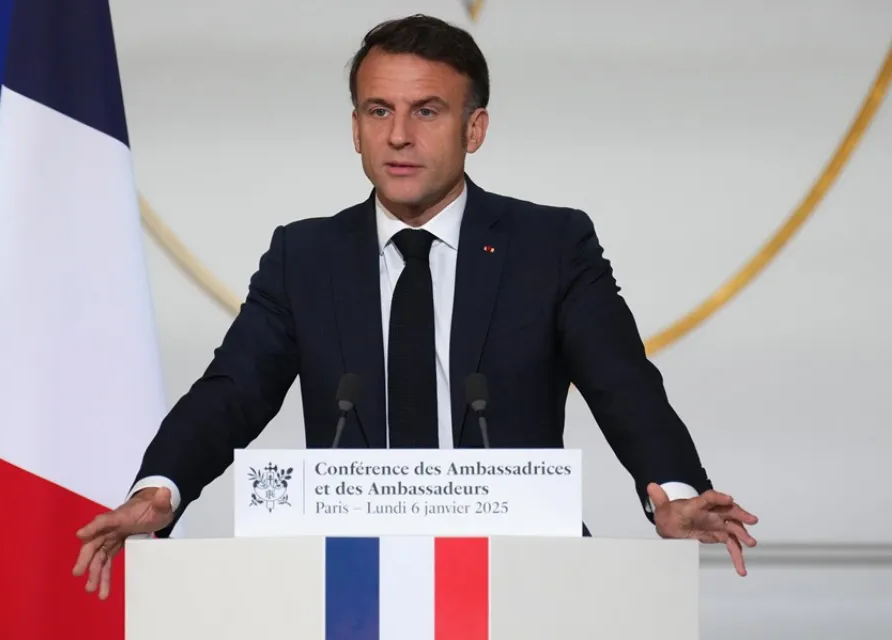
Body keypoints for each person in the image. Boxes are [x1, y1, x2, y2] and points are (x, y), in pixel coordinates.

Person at [72, 14, 758, 599]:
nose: (399, 135)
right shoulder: (304, 255)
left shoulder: (550, 245)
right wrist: (160, 490)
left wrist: (673, 488)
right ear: (355, 126)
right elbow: (233, 391)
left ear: (475, 128)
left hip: (524, 575)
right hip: (347, 580)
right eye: (379, 111)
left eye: (426, 111)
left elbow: (622, 382)